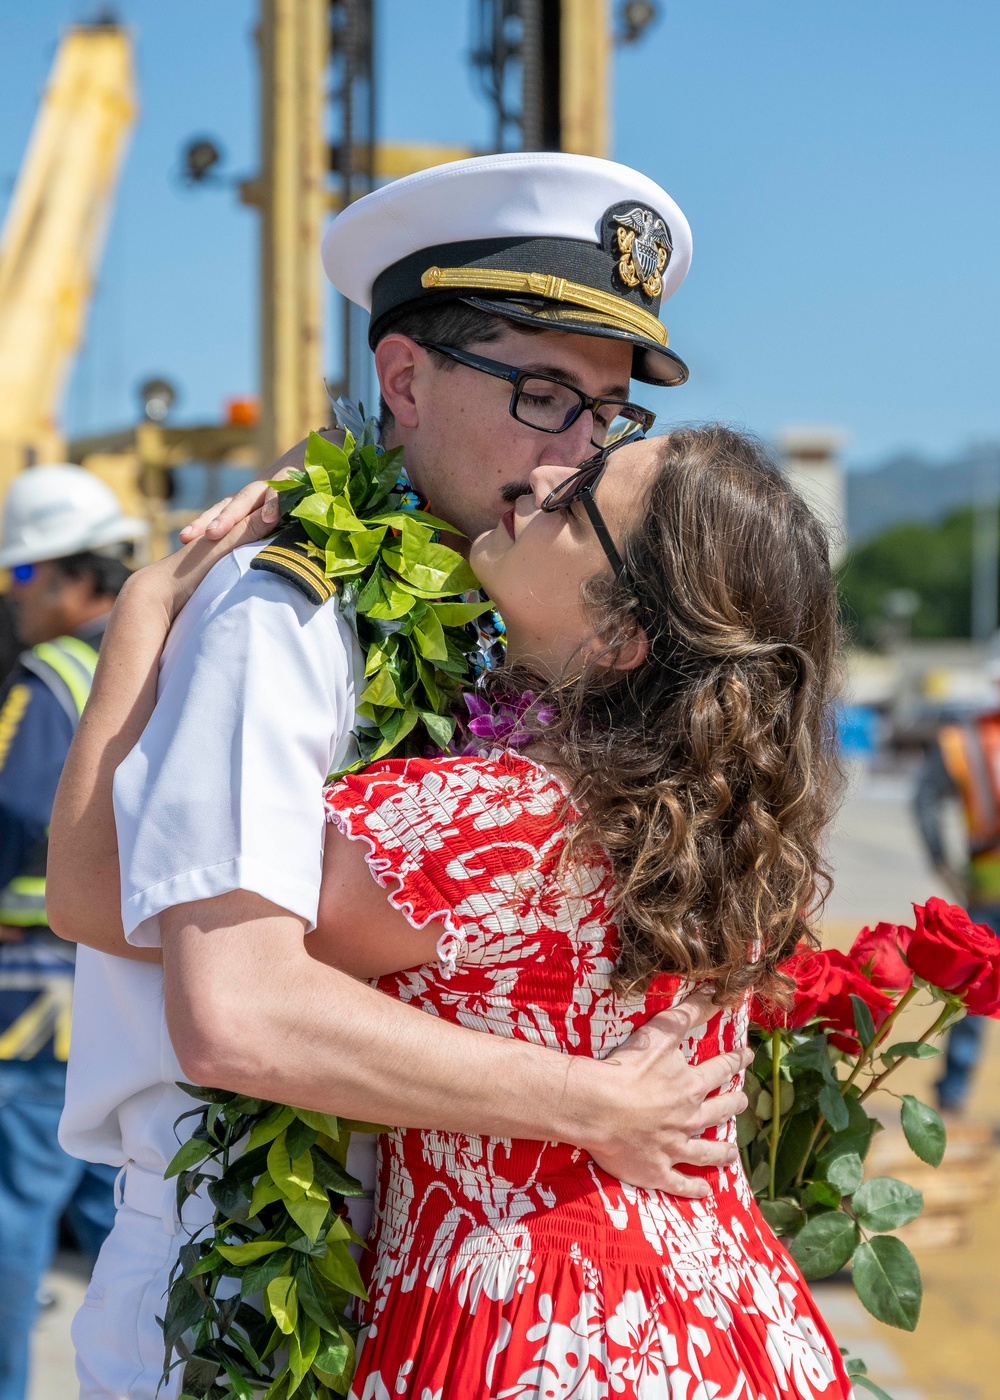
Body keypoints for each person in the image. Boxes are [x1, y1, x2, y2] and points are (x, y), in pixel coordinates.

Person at [47, 153, 747, 1399]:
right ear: (404, 377)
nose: (578, 450)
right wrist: (596, 1101)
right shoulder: (287, 609)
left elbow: (109, 898)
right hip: (250, 1284)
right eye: (543, 393)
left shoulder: (516, 620)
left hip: (452, 1271)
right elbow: (234, 998)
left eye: (606, 412)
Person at [56, 426, 852, 1397]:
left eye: (583, 495)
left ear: (620, 632)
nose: (548, 473)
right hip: (728, 1312)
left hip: (542, 1324)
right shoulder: (719, 829)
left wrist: (148, 599)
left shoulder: (488, 823)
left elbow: (110, 901)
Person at [0, 466, 147, 1400]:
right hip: (122, 993)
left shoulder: (49, 677)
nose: (13, 597)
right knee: (120, 1212)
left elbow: (16, 812)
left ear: (68, 576)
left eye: (20, 576)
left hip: (33, 995)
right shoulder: (146, 664)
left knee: (13, 1212)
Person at [914, 685, 1000, 1111]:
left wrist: (942, 862)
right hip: (988, 888)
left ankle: (953, 1092)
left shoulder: (969, 740)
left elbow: (924, 799)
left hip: (987, 883)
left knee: (976, 989)